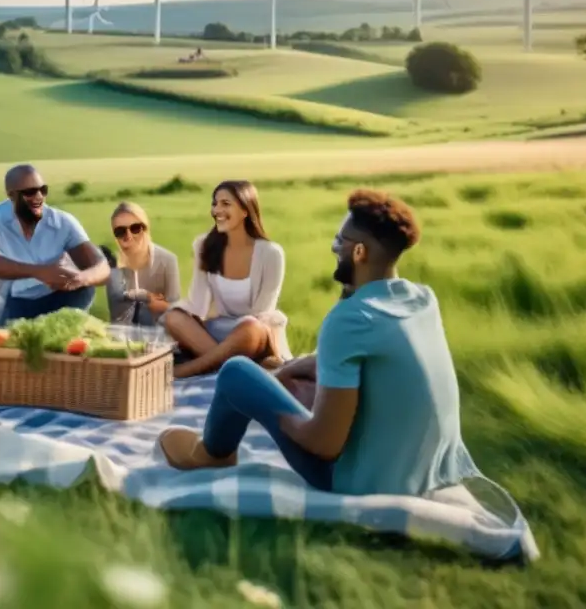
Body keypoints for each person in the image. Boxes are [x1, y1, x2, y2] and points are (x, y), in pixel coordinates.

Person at [157, 188, 468, 500]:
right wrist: (290, 372)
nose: (334, 247)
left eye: (339, 242)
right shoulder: (422, 299)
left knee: (236, 373)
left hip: (358, 482)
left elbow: (324, 443)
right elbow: (366, 357)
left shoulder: (348, 320)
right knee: (295, 375)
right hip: (429, 471)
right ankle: (267, 392)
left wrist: (266, 407)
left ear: (359, 253)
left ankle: (212, 454)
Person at [0, 164, 111, 352]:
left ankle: (57, 341)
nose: (38, 197)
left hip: (51, 306)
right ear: (11, 195)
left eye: (43, 190)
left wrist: (80, 278)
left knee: (86, 283)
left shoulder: (63, 222)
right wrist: (40, 272)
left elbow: (102, 267)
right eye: (30, 192)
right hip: (7, 308)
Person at [163, 180, 289, 379]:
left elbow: (262, 313)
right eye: (215, 203)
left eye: (225, 204)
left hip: (253, 334)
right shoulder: (204, 245)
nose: (217, 210)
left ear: (246, 210)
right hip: (219, 333)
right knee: (173, 317)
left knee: (250, 326)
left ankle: (188, 370)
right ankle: (232, 366)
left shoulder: (271, 253)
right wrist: (174, 313)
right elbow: (198, 305)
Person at [100, 202, 181, 326]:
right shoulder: (113, 267)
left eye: (135, 228)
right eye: (120, 232)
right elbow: (117, 316)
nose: (129, 236)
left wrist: (163, 306)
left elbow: (177, 311)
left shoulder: (167, 260)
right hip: (122, 336)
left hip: (160, 335)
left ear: (145, 228)